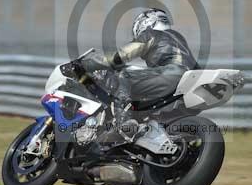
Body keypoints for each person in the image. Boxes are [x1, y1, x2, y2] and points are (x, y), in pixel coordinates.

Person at [83, 8, 199, 145]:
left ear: (146, 22)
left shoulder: (152, 34)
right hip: (191, 80)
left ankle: (123, 124)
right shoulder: (178, 38)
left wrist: (89, 64)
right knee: (152, 114)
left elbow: (123, 55)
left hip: (173, 75)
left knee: (124, 75)